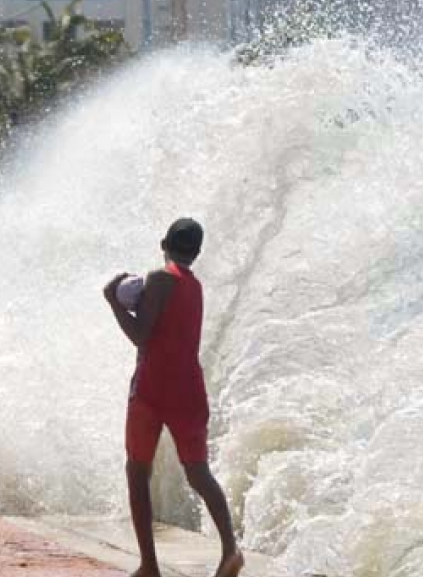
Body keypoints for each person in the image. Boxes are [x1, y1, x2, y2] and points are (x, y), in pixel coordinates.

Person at [103, 218, 245, 577]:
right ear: (196, 253)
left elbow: (141, 336)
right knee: (199, 474)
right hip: (189, 389)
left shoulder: (160, 278)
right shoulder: (194, 287)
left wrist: (113, 300)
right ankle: (230, 549)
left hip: (152, 388)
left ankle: (149, 565)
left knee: (137, 472)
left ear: (162, 242)